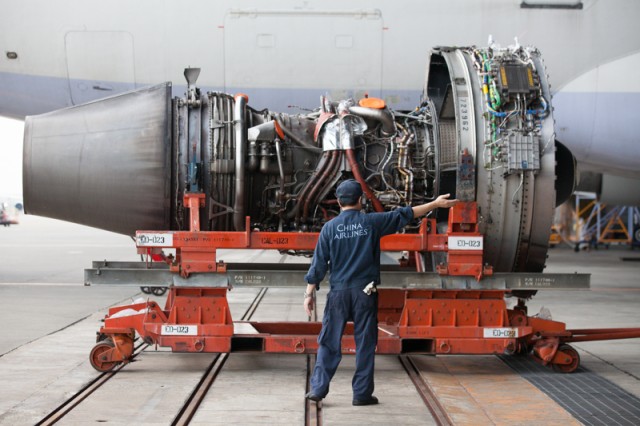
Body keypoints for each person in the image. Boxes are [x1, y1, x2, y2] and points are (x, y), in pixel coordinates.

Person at [303, 179, 458, 406]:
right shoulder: (371, 223)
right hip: (365, 294)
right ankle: (361, 394)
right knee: (365, 344)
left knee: (328, 342)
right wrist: (434, 203)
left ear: (338, 201)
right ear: (361, 200)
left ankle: (318, 389)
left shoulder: (329, 228)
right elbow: (406, 214)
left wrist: (309, 293)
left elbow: (318, 265)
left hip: (338, 294)